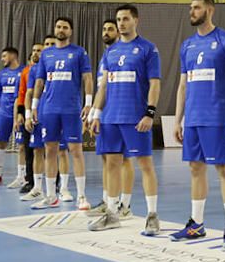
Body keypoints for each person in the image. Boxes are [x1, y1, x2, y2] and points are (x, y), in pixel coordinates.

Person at [171, 0, 225, 247]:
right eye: (190, 7)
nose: (192, 11)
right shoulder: (187, 45)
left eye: (197, 7)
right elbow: (183, 85)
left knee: (224, 169)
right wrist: (177, 120)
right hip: (193, 118)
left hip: (217, 117)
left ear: (209, 10)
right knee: (195, 168)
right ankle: (196, 224)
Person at [88, 5, 161, 233]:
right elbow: (103, 86)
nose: (121, 23)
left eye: (126, 19)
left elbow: (155, 84)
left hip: (135, 117)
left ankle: (152, 216)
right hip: (110, 117)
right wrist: (96, 114)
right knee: (112, 164)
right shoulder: (110, 52)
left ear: (135, 21)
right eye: (119, 19)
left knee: (145, 165)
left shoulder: (148, 49)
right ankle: (111, 214)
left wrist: (150, 113)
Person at [31, 17, 93, 211]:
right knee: (49, 151)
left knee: (76, 151)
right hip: (49, 109)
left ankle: (81, 196)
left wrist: (88, 104)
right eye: (58, 26)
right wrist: (34, 106)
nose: (61, 29)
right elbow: (39, 82)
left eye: (65, 27)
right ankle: (51, 196)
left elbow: (87, 78)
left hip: (71, 109)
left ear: (70, 31)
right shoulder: (46, 54)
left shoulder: (79, 52)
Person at [86, 19, 137, 218]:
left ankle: (125, 205)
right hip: (105, 113)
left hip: (121, 112)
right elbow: (102, 88)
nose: (106, 32)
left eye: (110, 29)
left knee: (124, 159)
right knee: (107, 158)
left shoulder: (126, 52)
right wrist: (94, 112)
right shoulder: (106, 56)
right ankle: (108, 200)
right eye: (104, 29)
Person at [0, 47, 24, 188]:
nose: (2, 59)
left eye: (4, 56)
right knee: (0, 142)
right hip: (3, 113)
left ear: (13, 56)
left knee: (21, 145)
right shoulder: (0, 74)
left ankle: (21, 177)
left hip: (20, 113)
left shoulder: (24, 71)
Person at [15, 43, 43, 195]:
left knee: (51, 150)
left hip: (46, 112)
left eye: (39, 50)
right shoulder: (26, 71)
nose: (35, 53)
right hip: (29, 114)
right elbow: (23, 93)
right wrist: (21, 113)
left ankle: (56, 182)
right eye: (33, 50)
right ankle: (30, 181)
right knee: (29, 149)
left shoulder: (49, 68)